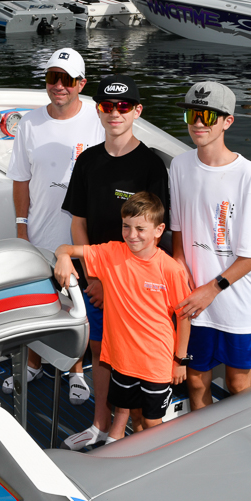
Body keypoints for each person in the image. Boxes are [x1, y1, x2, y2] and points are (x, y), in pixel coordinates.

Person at [58, 75, 171, 451]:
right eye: (107, 106)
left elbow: (155, 233)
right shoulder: (88, 161)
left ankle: (132, 430)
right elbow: (78, 221)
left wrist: (119, 283)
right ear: (98, 111)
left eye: (124, 106)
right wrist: (95, 278)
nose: (115, 113)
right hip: (96, 277)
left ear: (137, 111)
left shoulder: (151, 166)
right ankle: (99, 424)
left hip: (136, 283)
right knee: (99, 349)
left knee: (130, 353)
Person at [3, 48, 104, 401]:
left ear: (81, 84)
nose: (59, 86)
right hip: (40, 233)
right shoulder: (29, 123)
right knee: (39, 304)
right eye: (52, 78)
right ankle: (33, 364)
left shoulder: (98, 117)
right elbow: (20, 179)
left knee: (77, 307)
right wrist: (21, 228)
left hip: (83, 235)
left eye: (67, 80)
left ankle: (75, 370)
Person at [54, 192, 192, 443]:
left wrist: (180, 360)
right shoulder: (112, 253)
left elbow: (184, 316)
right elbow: (66, 248)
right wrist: (63, 257)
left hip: (156, 362)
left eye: (140, 228)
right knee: (134, 415)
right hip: (121, 360)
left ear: (159, 230)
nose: (131, 235)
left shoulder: (171, 269)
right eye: (126, 226)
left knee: (152, 423)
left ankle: (155, 457)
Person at [169, 82, 251, 411]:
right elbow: (177, 230)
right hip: (193, 299)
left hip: (235, 301)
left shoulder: (247, 174)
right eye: (192, 114)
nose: (198, 123)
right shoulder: (179, 166)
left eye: (208, 116)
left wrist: (211, 290)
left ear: (228, 121)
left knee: (238, 383)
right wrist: (181, 271)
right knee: (196, 379)